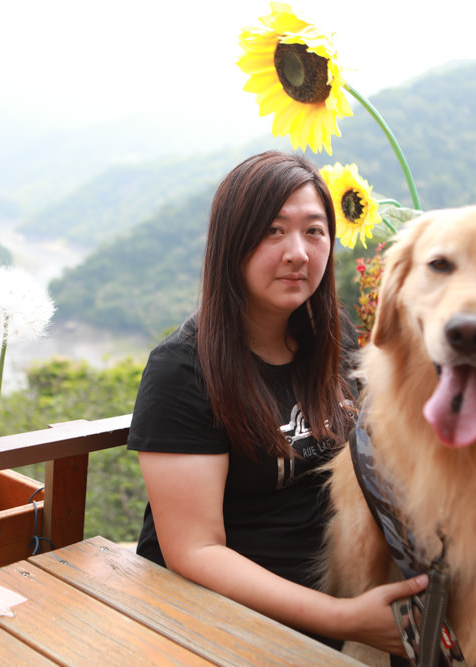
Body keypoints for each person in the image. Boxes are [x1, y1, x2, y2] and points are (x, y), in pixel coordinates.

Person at [127, 150, 427, 657]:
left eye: (314, 231)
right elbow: (194, 550)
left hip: (335, 601)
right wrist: (343, 618)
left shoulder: (334, 342)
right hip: (216, 622)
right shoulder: (183, 370)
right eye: (273, 231)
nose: (298, 253)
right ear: (232, 244)